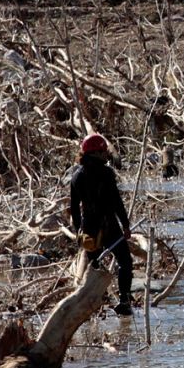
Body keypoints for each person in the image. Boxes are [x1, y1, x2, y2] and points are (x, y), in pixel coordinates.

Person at [69, 133, 135, 316]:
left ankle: (95, 305)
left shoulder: (76, 176)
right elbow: (116, 201)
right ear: (96, 153)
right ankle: (124, 300)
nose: (107, 154)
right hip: (110, 227)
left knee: (95, 267)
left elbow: (74, 208)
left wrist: (78, 232)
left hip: (89, 229)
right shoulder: (106, 173)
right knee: (125, 262)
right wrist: (126, 225)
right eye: (104, 151)